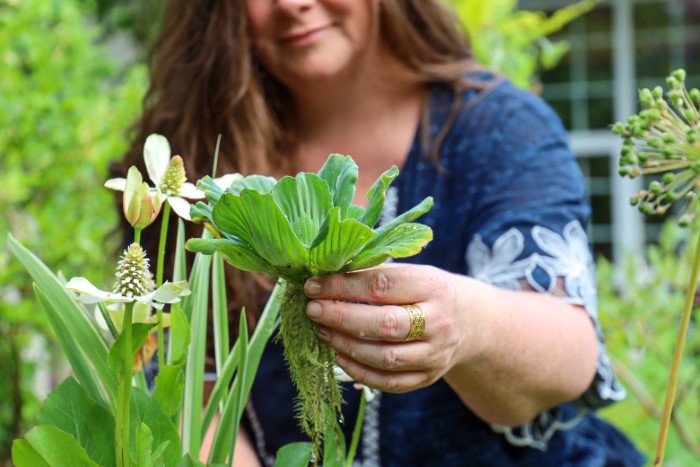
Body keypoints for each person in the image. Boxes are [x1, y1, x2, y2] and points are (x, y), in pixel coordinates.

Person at [113, 0, 645, 465]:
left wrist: (466, 323)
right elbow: (188, 387)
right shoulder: (193, 164)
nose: (292, 3)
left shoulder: (497, 128)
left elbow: (571, 352)